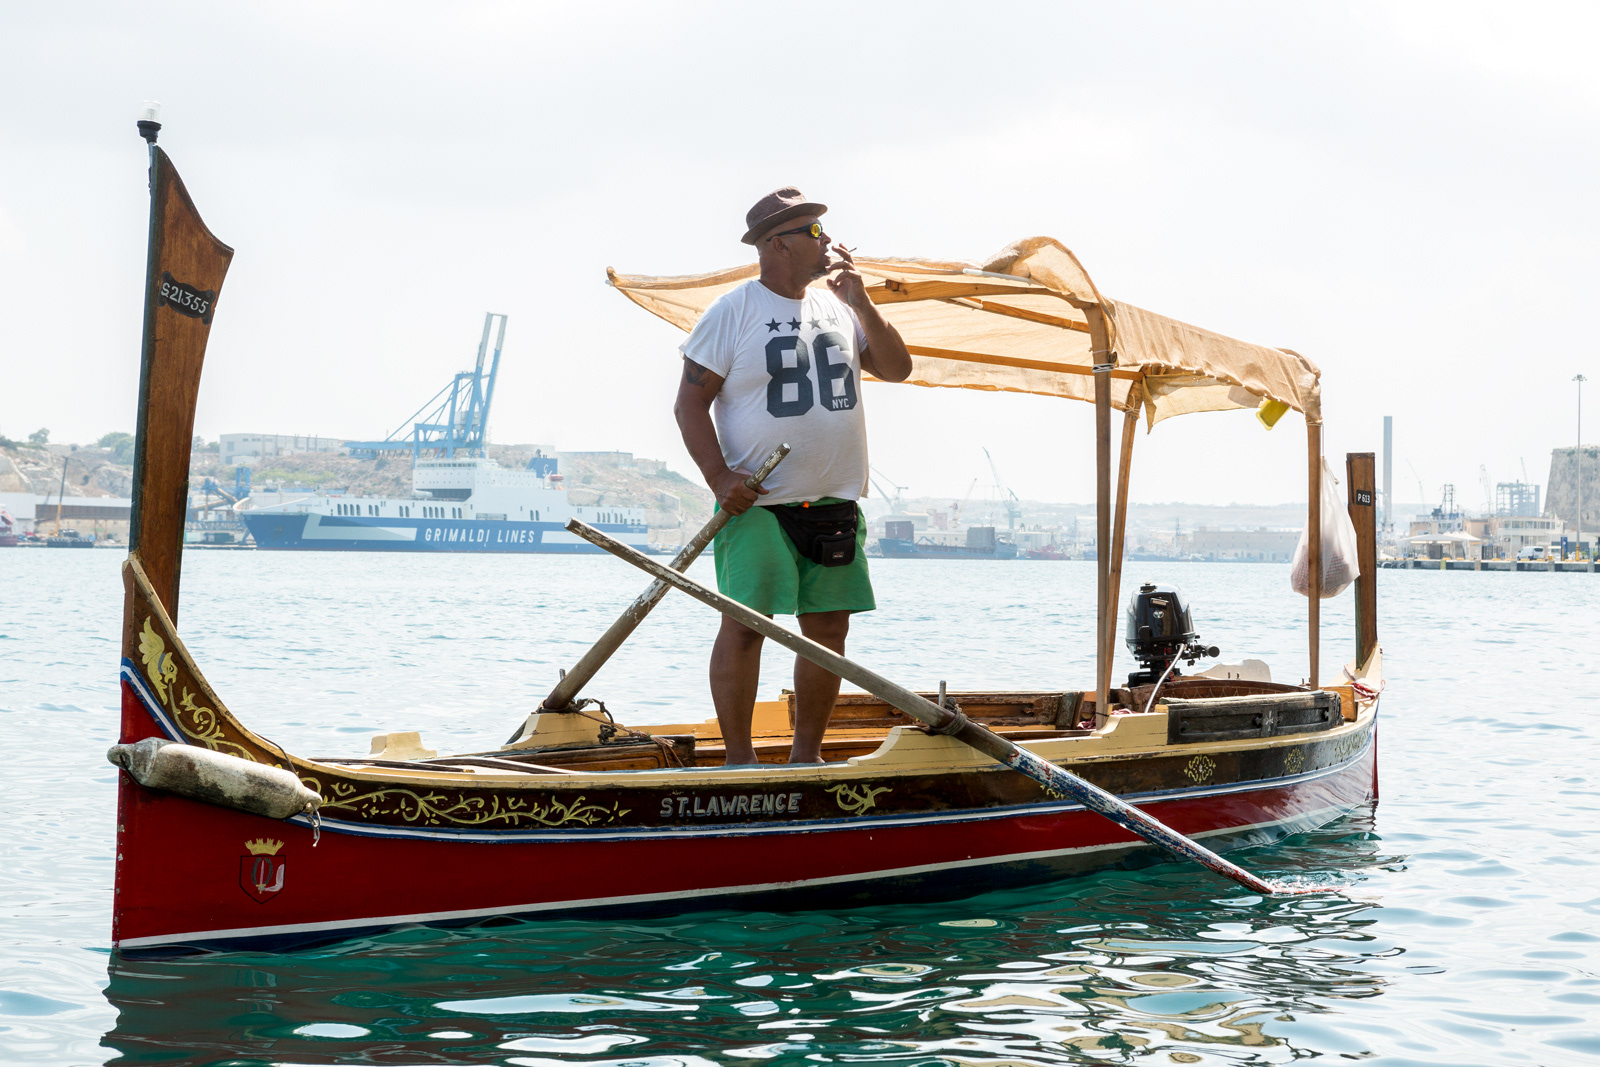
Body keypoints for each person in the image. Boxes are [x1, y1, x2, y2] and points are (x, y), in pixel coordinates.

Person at [674, 187, 912, 765]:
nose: (826, 240)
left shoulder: (837, 307)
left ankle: (806, 756)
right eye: (812, 231)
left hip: (832, 500)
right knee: (747, 626)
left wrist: (862, 300)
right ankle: (739, 760)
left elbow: (897, 369)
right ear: (776, 243)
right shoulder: (734, 312)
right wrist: (718, 477)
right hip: (757, 503)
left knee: (828, 631)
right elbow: (688, 405)